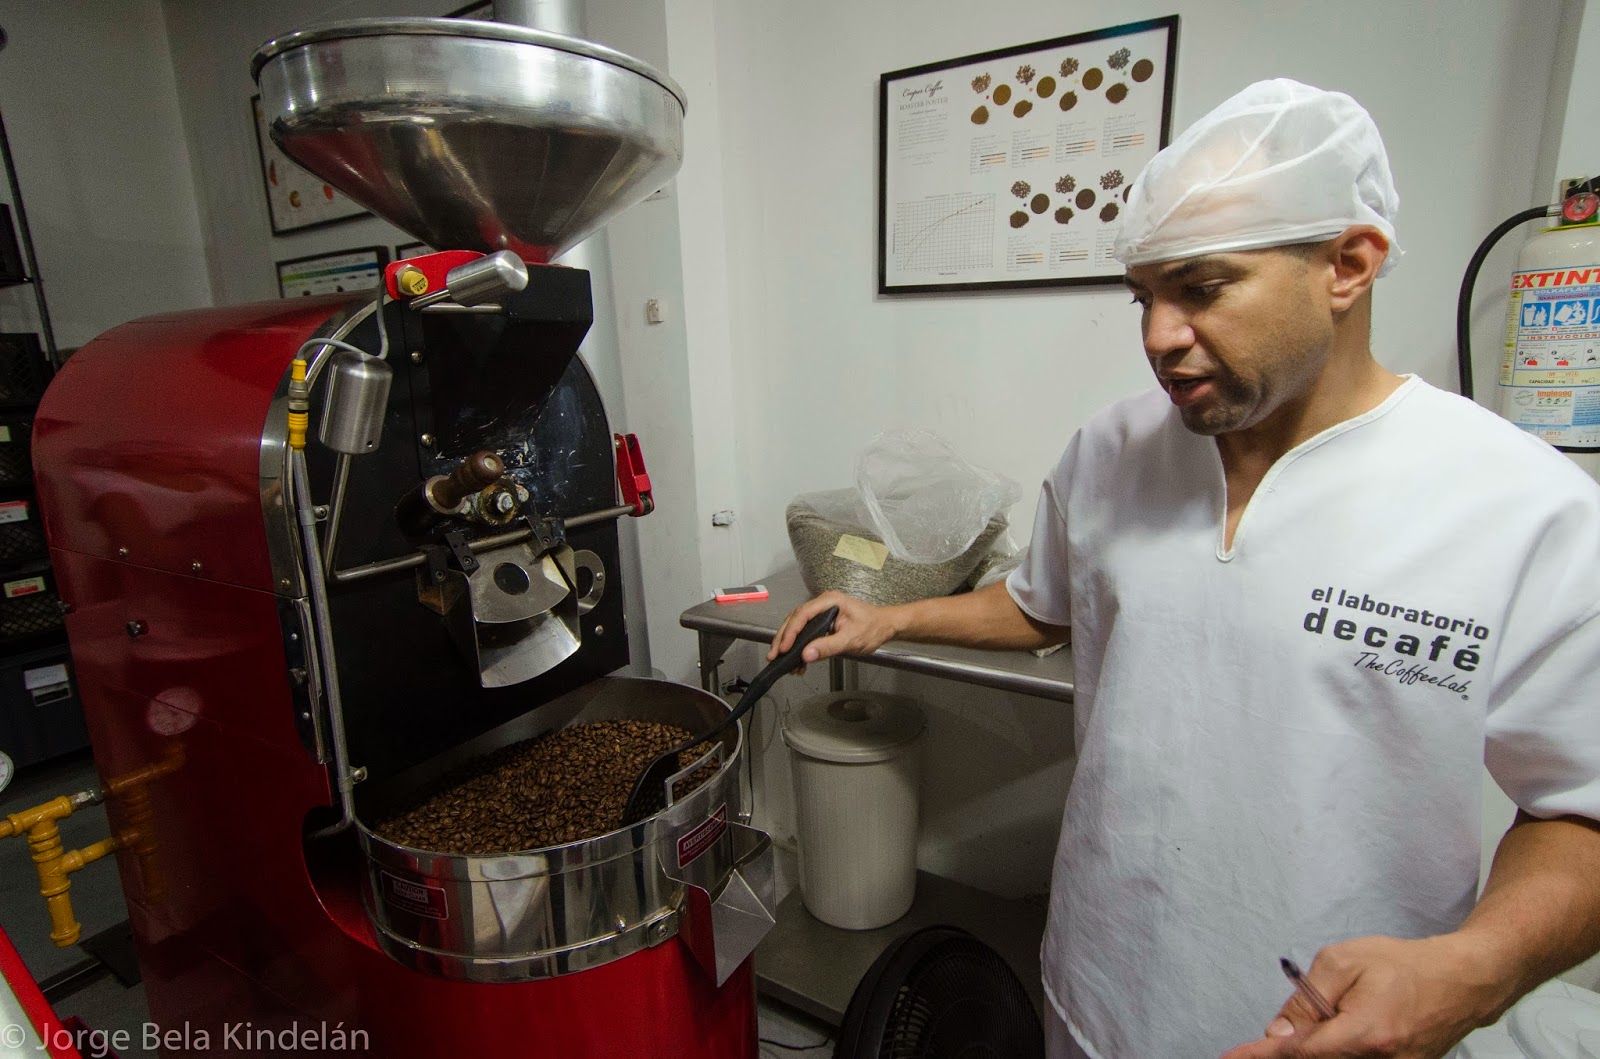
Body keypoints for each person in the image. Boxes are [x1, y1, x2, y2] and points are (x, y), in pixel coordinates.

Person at [769, 79, 1600, 1059]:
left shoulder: (1523, 508)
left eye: (1201, 289)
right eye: (1144, 297)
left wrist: (1470, 973)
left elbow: (1576, 810)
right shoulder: (1111, 450)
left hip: (1341, 1035)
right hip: (1098, 989)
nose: (1159, 335)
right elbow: (1045, 608)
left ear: (1347, 262)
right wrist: (892, 620)